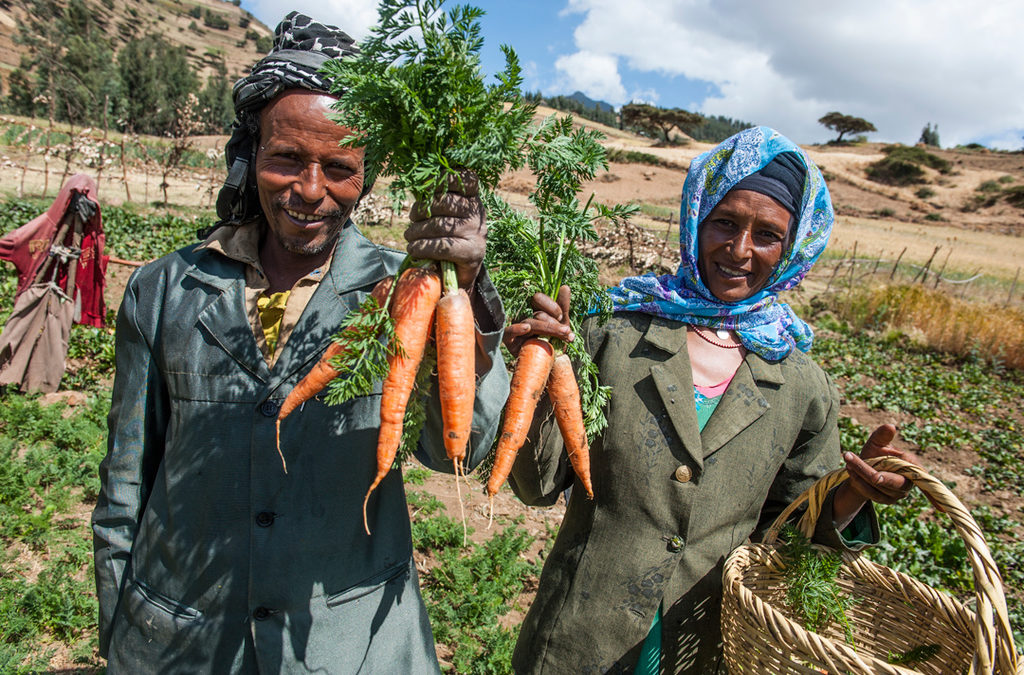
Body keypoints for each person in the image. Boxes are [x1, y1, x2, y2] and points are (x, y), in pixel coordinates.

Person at [91, 13, 509, 673]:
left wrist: (469, 291)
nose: (311, 190)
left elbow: (460, 447)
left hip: (350, 647)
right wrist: (119, 629)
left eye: (339, 167)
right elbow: (124, 484)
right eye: (288, 158)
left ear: (365, 176)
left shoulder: (400, 291)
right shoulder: (162, 290)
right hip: (178, 644)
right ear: (251, 150)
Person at [504, 126, 917, 674]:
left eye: (767, 234)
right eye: (725, 222)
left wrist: (853, 497)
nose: (739, 250)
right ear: (695, 218)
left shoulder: (801, 385)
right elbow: (536, 487)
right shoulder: (612, 335)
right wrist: (534, 371)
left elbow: (792, 531)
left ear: (792, 248)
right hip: (578, 640)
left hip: (702, 646)